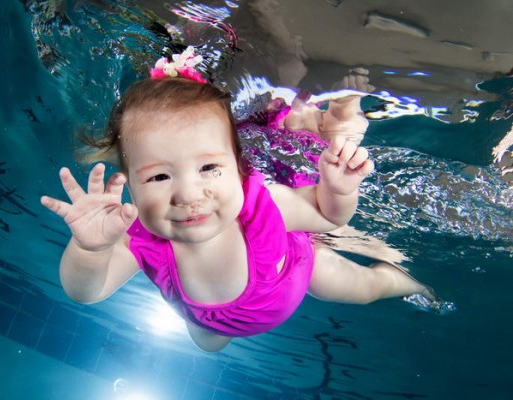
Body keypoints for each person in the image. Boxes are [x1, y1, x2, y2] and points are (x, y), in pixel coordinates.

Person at [41, 47, 435, 352]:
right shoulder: (138, 238)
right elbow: (86, 292)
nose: (189, 195)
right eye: (159, 176)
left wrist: (337, 189)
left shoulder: (265, 208)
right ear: (132, 186)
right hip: (205, 317)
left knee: (361, 288)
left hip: (294, 272)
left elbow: (325, 215)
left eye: (209, 168)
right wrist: (90, 249)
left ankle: (406, 283)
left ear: (237, 164)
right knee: (208, 342)